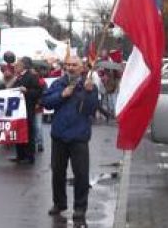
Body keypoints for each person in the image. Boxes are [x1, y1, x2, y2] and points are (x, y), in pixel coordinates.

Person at [41, 56, 98, 223]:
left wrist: (88, 93)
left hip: (79, 137)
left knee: (81, 174)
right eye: (68, 65)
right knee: (58, 173)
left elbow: (91, 109)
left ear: (81, 68)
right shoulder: (58, 83)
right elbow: (46, 102)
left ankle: (80, 208)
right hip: (59, 135)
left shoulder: (88, 85)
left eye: (74, 65)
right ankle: (59, 203)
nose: (70, 68)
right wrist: (62, 95)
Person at [11, 56, 43, 164]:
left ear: (23, 65)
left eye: (17, 65)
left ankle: (30, 156)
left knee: (29, 132)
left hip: (27, 109)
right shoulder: (18, 77)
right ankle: (20, 155)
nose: (15, 67)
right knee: (18, 131)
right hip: (18, 110)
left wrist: (27, 91)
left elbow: (38, 91)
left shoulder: (32, 76)